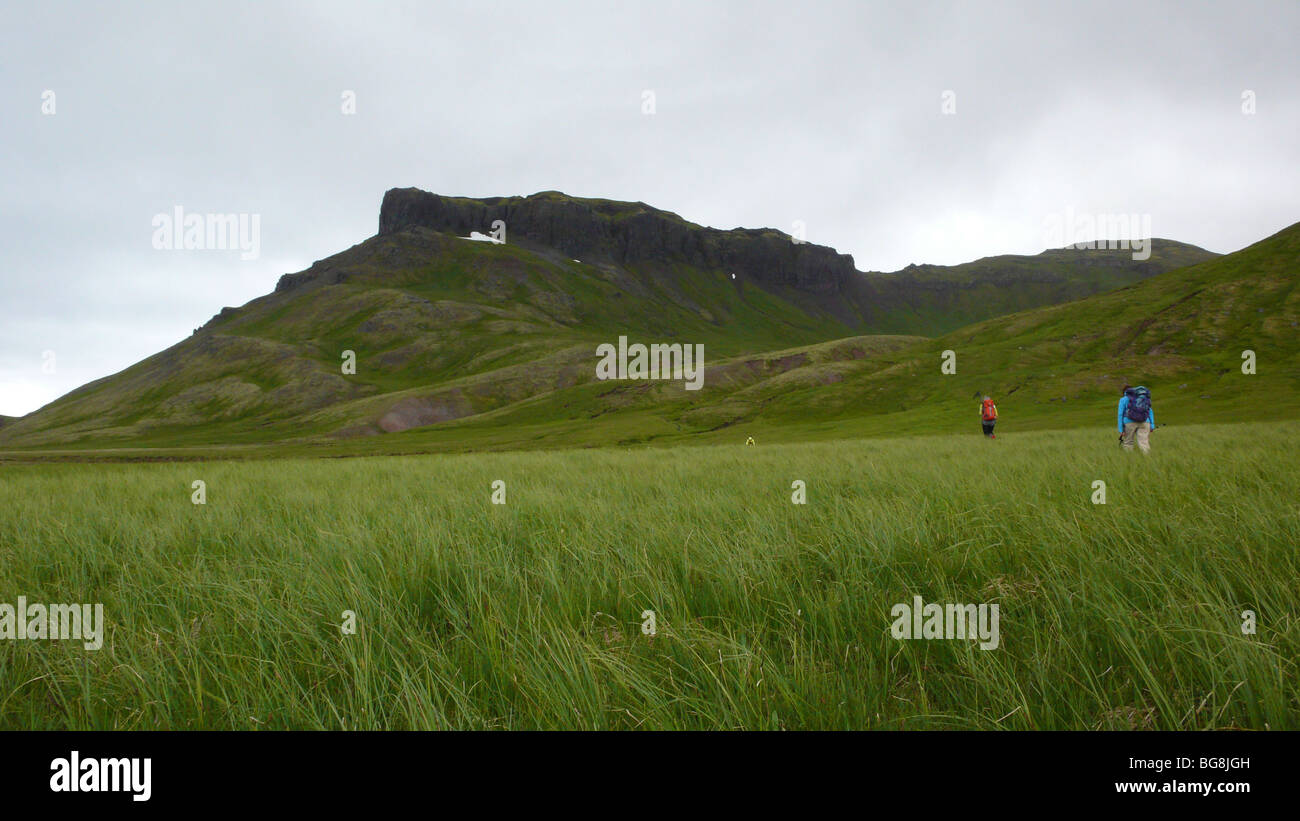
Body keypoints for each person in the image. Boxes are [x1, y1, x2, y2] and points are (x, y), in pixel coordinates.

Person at [1118, 384, 1155, 453]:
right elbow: (1150, 411)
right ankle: (1148, 460)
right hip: (1145, 421)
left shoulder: (1123, 399)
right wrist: (1152, 425)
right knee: (1144, 443)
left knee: (1128, 443)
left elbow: (1120, 414)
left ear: (1124, 393)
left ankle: (1129, 460)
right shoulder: (1142, 398)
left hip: (1129, 422)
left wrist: (1121, 429)